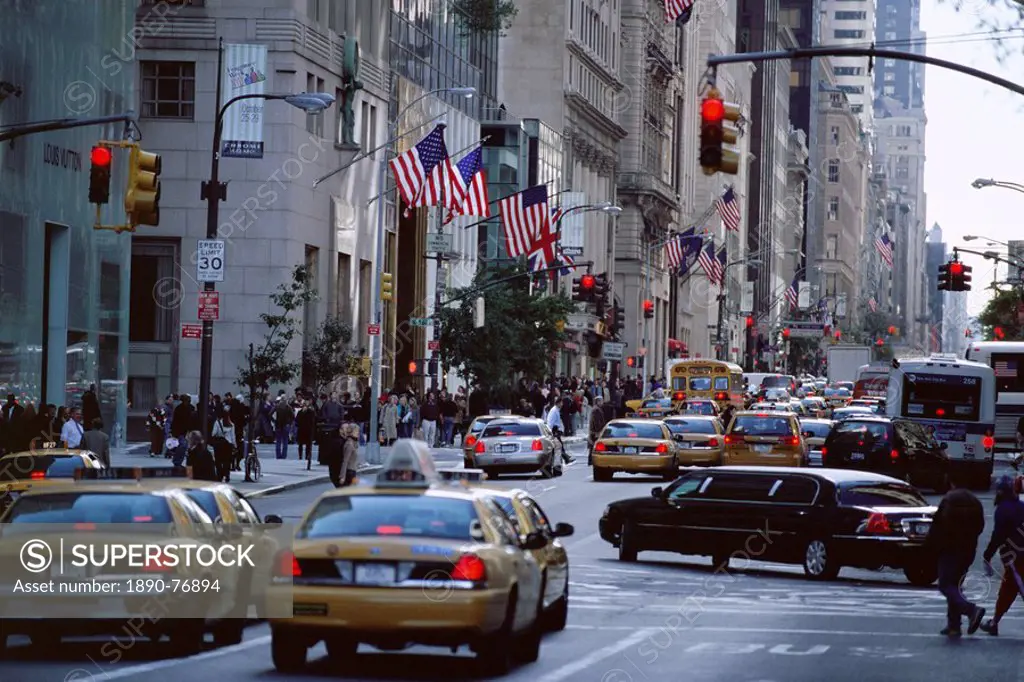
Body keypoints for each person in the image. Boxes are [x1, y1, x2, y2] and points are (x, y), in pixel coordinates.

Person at [925, 479, 987, 637]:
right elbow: (980, 526)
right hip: (967, 550)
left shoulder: (948, 500)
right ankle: (954, 625)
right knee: (955, 586)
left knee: (945, 585)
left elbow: (937, 527)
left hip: (949, 549)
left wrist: (930, 546)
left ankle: (971, 610)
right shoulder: (975, 502)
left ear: (952, 485)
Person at [978, 475, 1024, 636]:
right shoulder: (1020, 506)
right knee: (1009, 588)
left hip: (1017, 557)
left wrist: (988, 555)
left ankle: (995, 622)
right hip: (1017, 555)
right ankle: (995, 622)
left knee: (1012, 587)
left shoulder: (1003, 509)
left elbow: (998, 535)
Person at [545, 397, 574, 466]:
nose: (562, 404)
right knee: (558, 445)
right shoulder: (554, 411)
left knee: (559, 445)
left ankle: (565, 458)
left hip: (556, 430)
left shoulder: (556, 410)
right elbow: (551, 422)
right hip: (553, 430)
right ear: (558, 403)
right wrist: (550, 432)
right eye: (561, 403)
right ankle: (565, 458)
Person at [210, 407, 234, 483]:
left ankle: (219, 475)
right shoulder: (231, 424)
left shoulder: (217, 423)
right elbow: (233, 436)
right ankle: (227, 475)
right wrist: (234, 445)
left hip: (219, 444)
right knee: (227, 461)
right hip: (228, 444)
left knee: (218, 460)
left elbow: (213, 433)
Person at [588, 396, 608, 466]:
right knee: (594, 446)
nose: (602, 402)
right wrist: (599, 431)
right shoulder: (596, 410)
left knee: (593, 446)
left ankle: (591, 461)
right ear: (598, 401)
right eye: (601, 401)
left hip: (594, 431)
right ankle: (591, 461)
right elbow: (597, 422)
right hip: (595, 432)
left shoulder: (596, 409)